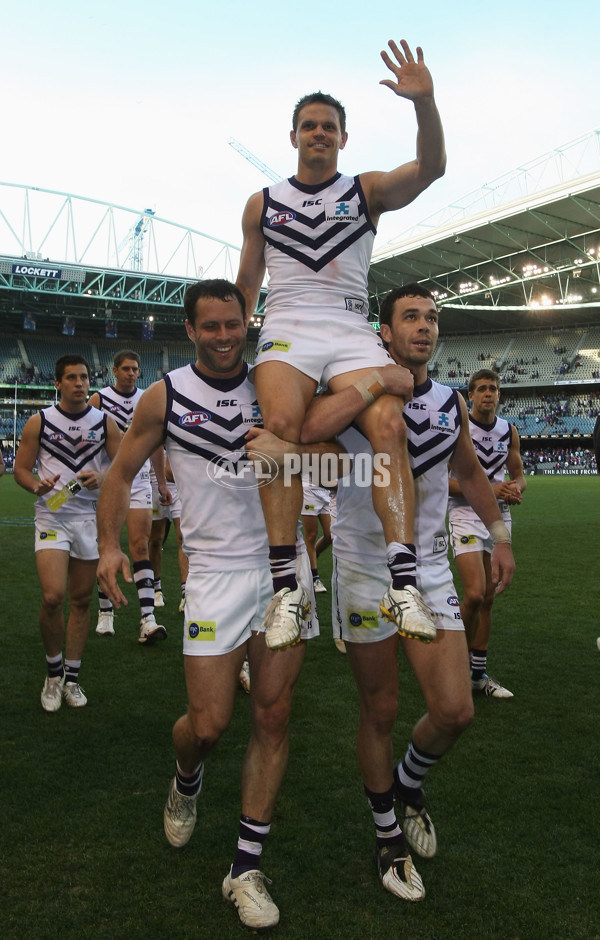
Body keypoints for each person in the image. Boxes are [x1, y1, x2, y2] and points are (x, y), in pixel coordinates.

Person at [96, 279, 320, 931]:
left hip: (285, 571)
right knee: (210, 725)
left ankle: (244, 867)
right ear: (190, 330)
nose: (224, 336)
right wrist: (110, 545)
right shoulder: (162, 397)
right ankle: (185, 776)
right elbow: (119, 474)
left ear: (248, 321)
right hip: (215, 575)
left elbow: (329, 449)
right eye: (210, 326)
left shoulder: (279, 386)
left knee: (273, 718)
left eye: (233, 323)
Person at [293, 283, 516, 901]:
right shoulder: (353, 392)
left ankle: (408, 784)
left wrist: (498, 534)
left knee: (454, 711)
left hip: (433, 569)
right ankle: (387, 834)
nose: (425, 326)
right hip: (366, 568)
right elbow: (301, 436)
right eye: (410, 317)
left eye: (432, 318)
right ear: (383, 333)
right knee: (382, 710)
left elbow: (467, 471)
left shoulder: (450, 402)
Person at [236, 38, 446, 651]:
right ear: (294, 135)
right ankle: (286, 588)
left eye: (329, 126)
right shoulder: (262, 204)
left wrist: (424, 104)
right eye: (309, 125)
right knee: (279, 424)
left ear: (343, 138)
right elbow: (247, 286)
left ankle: (403, 581)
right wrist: (224, 352)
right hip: (290, 323)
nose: (319, 133)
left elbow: (430, 170)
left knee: (386, 420)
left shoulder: (365, 190)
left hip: (352, 324)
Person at [14, 354, 121, 711]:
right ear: (57, 383)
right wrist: (37, 487)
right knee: (52, 597)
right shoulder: (39, 422)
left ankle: (71, 679)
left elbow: (123, 470)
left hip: (90, 517)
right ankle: (52, 672)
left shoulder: (105, 423)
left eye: (85, 377)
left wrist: (104, 477)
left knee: (80, 601)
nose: (80, 384)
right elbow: (21, 470)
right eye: (72, 378)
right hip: (52, 516)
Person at [448, 369, 526, 698]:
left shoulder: (509, 430)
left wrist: (514, 489)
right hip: (465, 512)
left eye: (493, 388)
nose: (488, 393)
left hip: (497, 516)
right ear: (471, 395)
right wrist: (491, 490)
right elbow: (445, 480)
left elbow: (519, 474)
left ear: (499, 394)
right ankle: (454, 665)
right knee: (475, 594)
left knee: (489, 599)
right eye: (481, 388)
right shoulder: (457, 427)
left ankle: (477, 676)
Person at [89, 349, 169, 643]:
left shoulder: (147, 399)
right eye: (126, 369)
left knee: (140, 545)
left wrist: (161, 483)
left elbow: (157, 446)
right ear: (114, 370)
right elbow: (89, 439)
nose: (131, 373)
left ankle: (147, 618)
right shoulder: (98, 399)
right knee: (106, 545)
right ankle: (105, 610)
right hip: (108, 482)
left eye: (135, 369)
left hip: (138, 482)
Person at [148, 452, 188, 613]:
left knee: (183, 538)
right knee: (156, 539)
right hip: (154, 481)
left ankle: (186, 594)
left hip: (179, 483)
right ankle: (156, 588)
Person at [300, 474, 332, 593]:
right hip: (309, 490)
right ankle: (314, 578)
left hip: (326, 489)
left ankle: (310, 558)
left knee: (330, 535)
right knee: (311, 535)